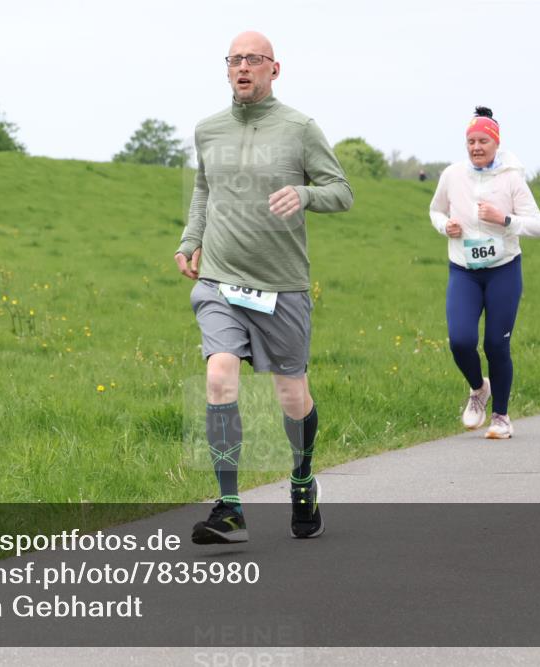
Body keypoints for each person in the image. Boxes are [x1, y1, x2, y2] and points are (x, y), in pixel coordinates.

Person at [174, 31, 353, 544]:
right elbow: (204, 190)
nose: (243, 68)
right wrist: (191, 240)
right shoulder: (208, 130)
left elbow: (341, 192)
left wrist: (303, 193)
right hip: (220, 280)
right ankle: (230, 508)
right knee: (219, 378)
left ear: (275, 69)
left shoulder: (300, 129)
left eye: (253, 59)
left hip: (281, 286)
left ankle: (301, 480)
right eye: (235, 60)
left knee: (291, 393)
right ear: (226, 69)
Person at [429, 107, 540, 439]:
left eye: (483, 141)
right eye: (471, 141)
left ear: (496, 143)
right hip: (463, 271)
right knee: (461, 341)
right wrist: (444, 226)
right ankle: (479, 388)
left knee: (496, 344)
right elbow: (436, 209)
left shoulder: (512, 178)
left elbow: (538, 226)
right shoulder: (452, 175)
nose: (476, 147)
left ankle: (501, 417)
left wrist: (504, 220)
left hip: (503, 270)